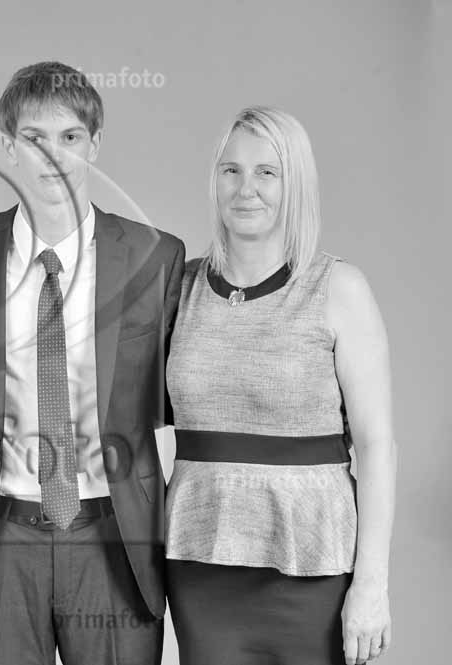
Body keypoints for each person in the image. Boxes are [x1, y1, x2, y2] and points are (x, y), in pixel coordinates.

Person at [0, 62, 185, 665]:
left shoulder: (154, 256)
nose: (52, 156)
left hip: (115, 535)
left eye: (70, 137)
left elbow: (180, 388)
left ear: (94, 144)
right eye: (34, 138)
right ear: (8, 148)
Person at [165, 106, 396, 665]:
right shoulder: (179, 287)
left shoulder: (338, 288)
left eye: (267, 172)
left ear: (296, 185)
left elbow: (377, 447)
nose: (246, 188)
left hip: (313, 565)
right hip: (200, 564)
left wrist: (372, 585)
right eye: (231, 170)